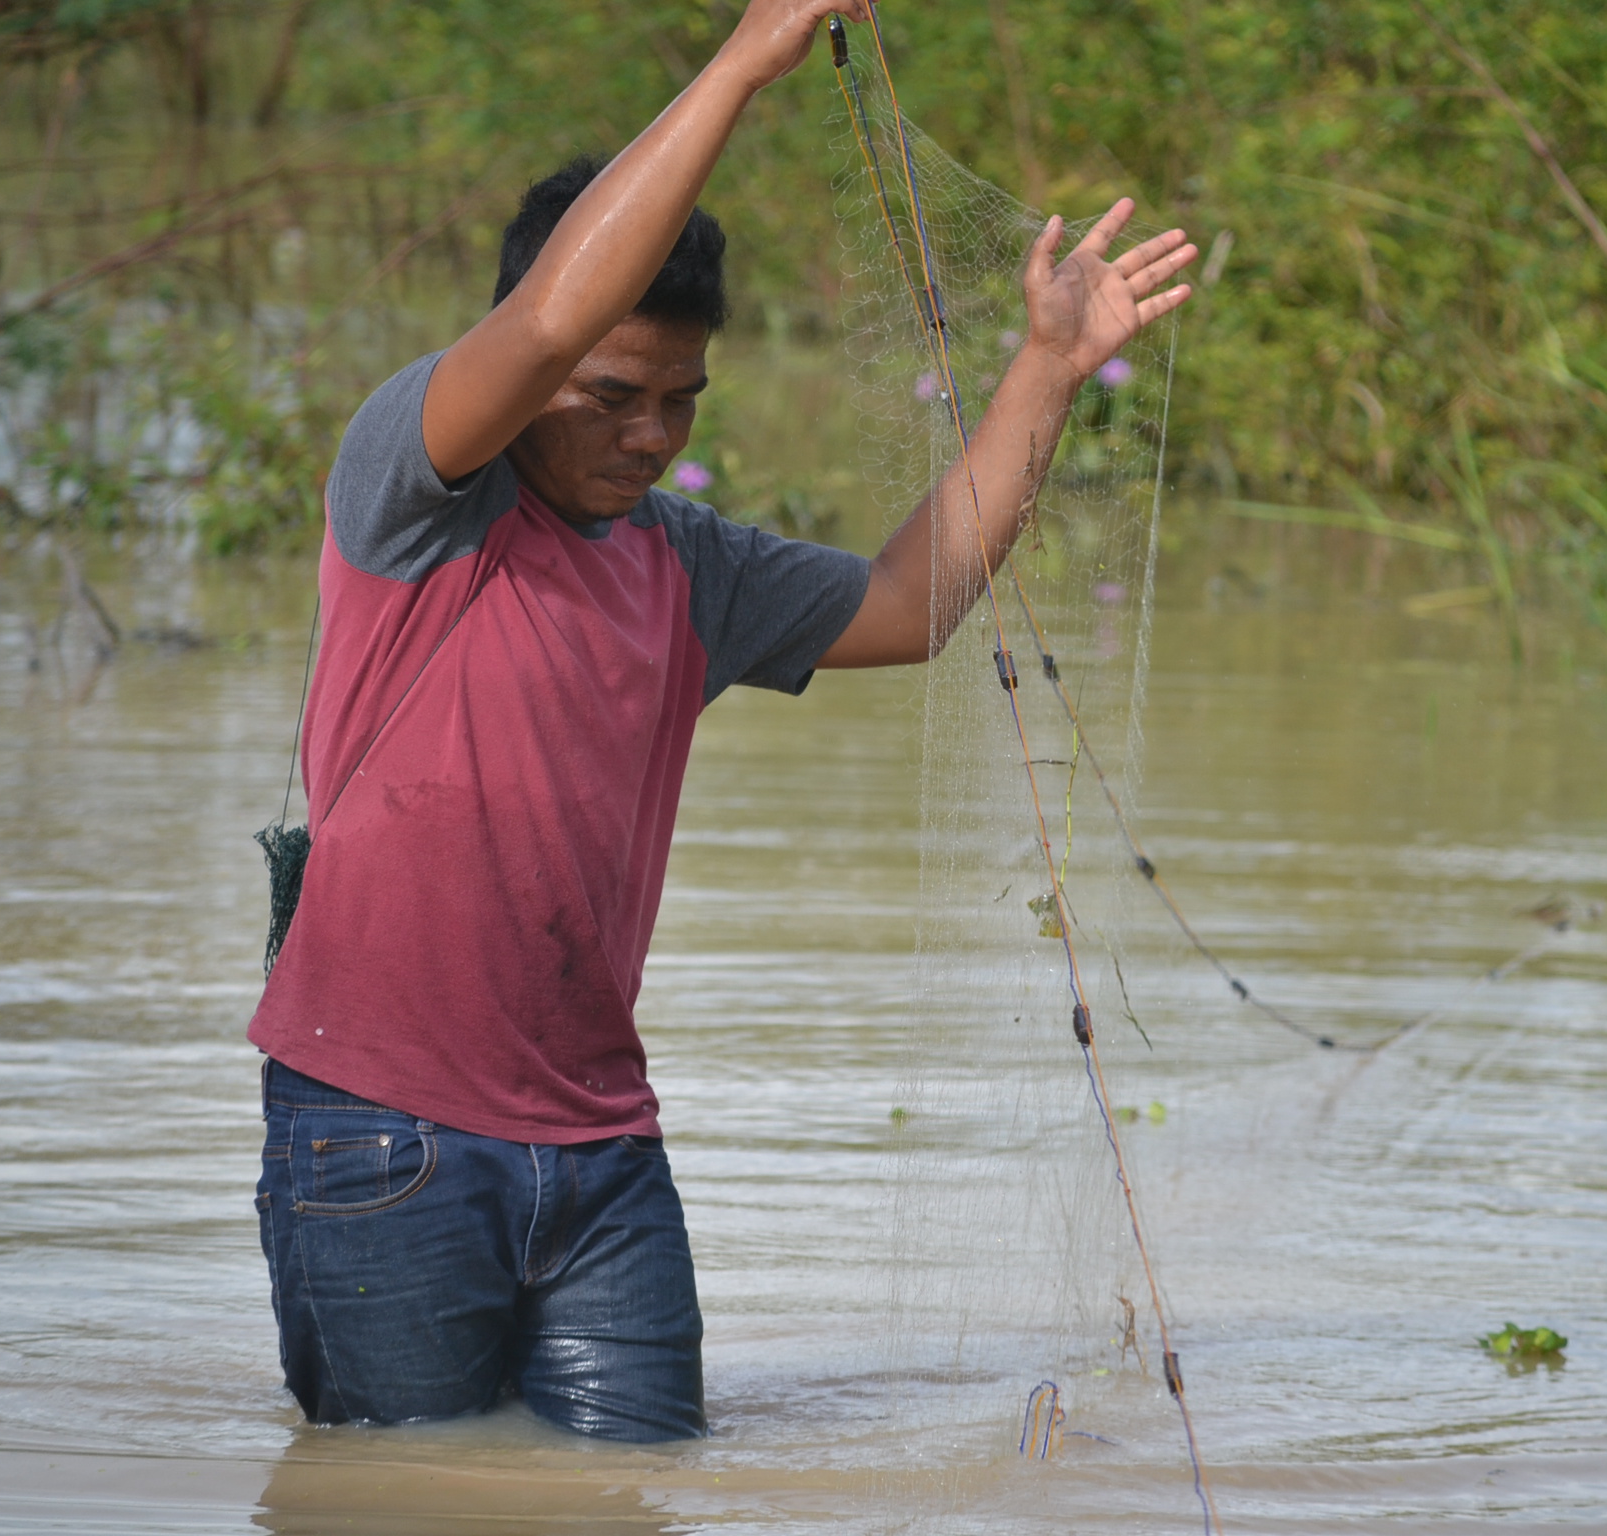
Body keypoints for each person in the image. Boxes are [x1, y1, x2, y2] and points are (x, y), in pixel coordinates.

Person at [247, 0, 1195, 1443]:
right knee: (408, 1495)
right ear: (514, 378)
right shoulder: (421, 503)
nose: (650, 436)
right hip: (384, 1133)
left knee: (635, 1485)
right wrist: (750, 60)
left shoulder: (685, 570)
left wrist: (1049, 373)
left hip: (605, 1153)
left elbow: (908, 603)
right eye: (612, 399)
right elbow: (554, 311)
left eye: (680, 403)